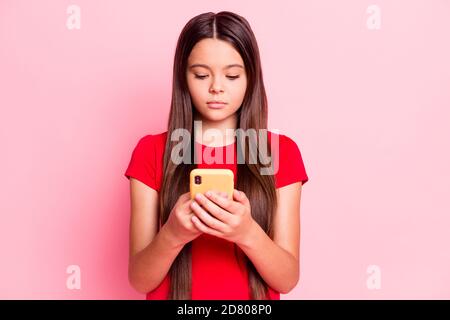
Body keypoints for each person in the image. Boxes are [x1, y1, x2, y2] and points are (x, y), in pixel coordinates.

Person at [124, 11, 309, 300]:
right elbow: (139, 279)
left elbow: (286, 279)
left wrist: (247, 232)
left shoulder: (280, 152)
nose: (216, 87)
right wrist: (173, 235)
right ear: (183, 77)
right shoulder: (152, 152)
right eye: (200, 74)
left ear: (251, 77)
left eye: (232, 75)